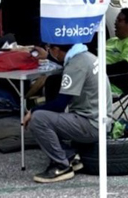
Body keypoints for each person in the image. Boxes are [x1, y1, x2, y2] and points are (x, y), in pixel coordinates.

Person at [23, 42, 100, 183]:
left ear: (56, 49)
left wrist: (32, 110)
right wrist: (48, 56)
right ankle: (70, 156)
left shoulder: (75, 66)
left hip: (91, 124)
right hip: (100, 118)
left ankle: (61, 165)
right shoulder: (86, 56)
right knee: (48, 108)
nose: (49, 52)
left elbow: (59, 105)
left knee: (38, 119)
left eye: (49, 49)